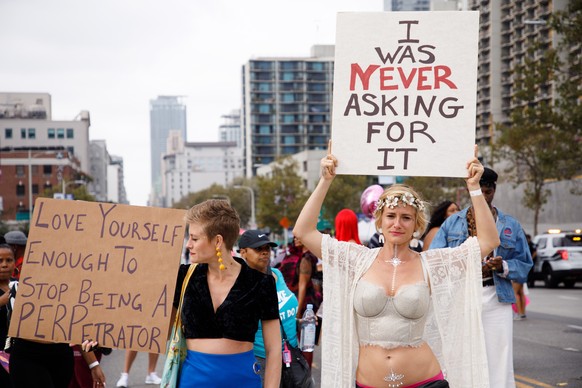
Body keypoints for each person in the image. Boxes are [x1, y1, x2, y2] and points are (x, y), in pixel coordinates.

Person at [293, 144, 500, 387]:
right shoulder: (356, 260)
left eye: (406, 217)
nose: (397, 224)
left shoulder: (432, 265)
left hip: (425, 381)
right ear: (380, 222)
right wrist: (325, 180)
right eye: (391, 216)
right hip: (368, 382)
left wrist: (473, 188)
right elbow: (303, 230)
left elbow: (488, 240)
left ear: (416, 225)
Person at [431, 166, 533, 387]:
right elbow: (435, 260)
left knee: (498, 355)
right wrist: (463, 265)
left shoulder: (510, 225)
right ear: (471, 191)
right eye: (480, 191)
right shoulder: (453, 223)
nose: (484, 196)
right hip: (461, 295)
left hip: (497, 296)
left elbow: (525, 264)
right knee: (460, 352)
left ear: (494, 191)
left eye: (488, 191)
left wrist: (503, 265)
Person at [174, 199, 281, 387]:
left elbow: (274, 350)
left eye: (195, 238)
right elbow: (155, 328)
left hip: (244, 381)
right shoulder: (182, 277)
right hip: (193, 382)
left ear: (217, 241)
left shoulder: (261, 283)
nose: (188, 244)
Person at [238, 230, 299, 384]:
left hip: (291, 354)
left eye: (267, 248)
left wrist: (299, 321)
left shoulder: (277, 274)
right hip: (262, 359)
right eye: (258, 249)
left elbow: (281, 309)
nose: (265, 253)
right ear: (243, 253)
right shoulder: (240, 284)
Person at [278, 236, 322, 368]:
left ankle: (304, 373)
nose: (296, 239)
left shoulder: (307, 258)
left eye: (300, 236)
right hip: (289, 299)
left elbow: (302, 286)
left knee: (305, 341)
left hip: (303, 303)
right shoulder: (294, 254)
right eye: (295, 236)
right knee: (292, 339)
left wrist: (297, 313)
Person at [0, 244, 15, 387]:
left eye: (9, 260)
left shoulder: (22, 287)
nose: (4, 265)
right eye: (0, 261)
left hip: (19, 356)